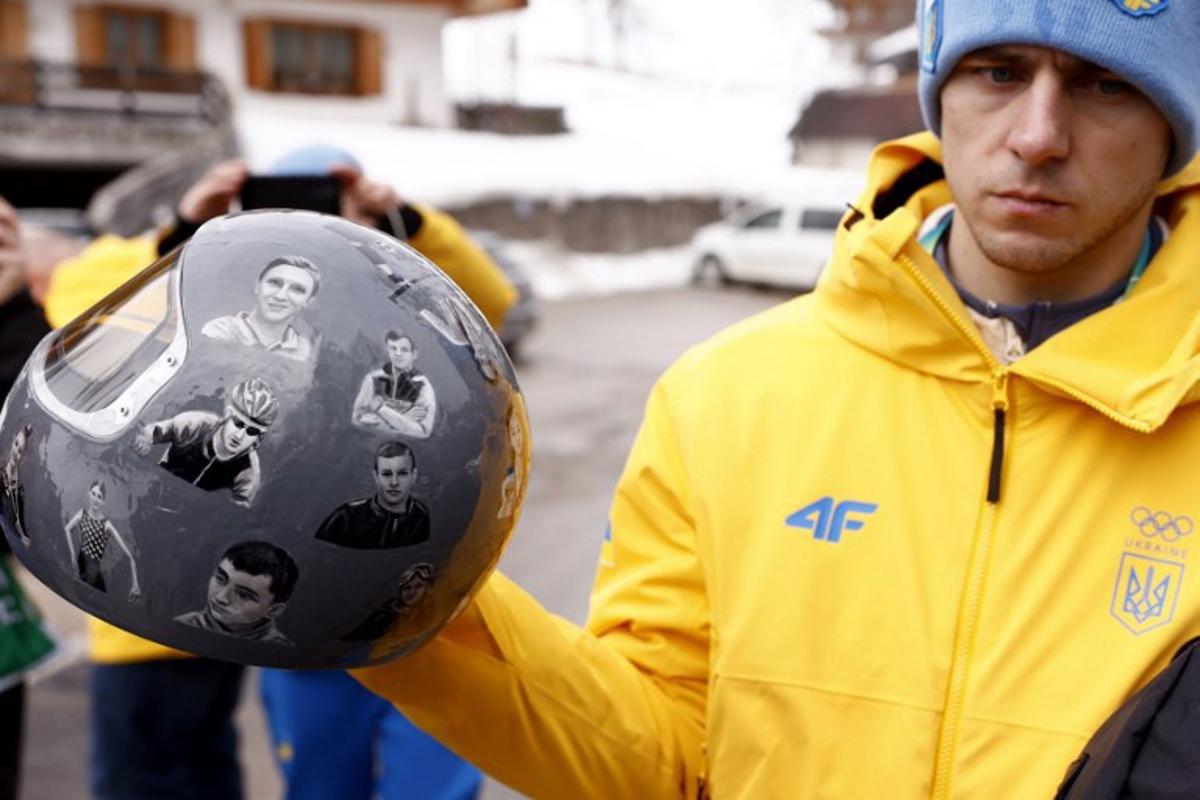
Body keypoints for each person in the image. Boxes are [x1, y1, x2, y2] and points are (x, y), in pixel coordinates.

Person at [350, 3, 1200, 798]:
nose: (1039, 135)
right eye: (1000, 72)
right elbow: (661, 749)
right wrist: (388, 589)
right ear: (941, 89)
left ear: (1174, 126)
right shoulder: (727, 394)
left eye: (1107, 82)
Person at [40, 144, 516, 800]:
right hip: (282, 595)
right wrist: (185, 229)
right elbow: (84, 306)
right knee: (317, 778)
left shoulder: (394, 300)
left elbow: (492, 303)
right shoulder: (219, 285)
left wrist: (399, 219)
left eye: (331, 201)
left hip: (417, 597)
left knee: (432, 782)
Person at [132, 378, 280, 508]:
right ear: (228, 415)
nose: (240, 435)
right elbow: (151, 432)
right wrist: (144, 441)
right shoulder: (194, 424)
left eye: (252, 431)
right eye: (238, 423)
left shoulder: (248, 474)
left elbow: (237, 514)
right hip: (154, 493)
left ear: (259, 438)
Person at [176, 541, 298, 645]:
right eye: (220, 579)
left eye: (243, 595)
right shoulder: (180, 627)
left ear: (273, 610)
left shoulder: (279, 650)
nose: (221, 598)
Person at [201, 255, 320, 362]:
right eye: (275, 283)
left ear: (308, 301)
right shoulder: (221, 330)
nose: (280, 296)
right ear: (257, 286)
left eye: (297, 289)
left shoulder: (305, 350)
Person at [315, 440, 431, 550]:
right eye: (386, 474)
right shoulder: (345, 517)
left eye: (402, 473)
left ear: (414, 476)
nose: (394, 482)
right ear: (376, 476)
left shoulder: (420, 516)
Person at [64, 479, 141, 600]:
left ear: (103, 502)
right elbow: (67, 529)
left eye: (99, 497)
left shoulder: (107, 525)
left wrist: (135, 584)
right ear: (89, 493)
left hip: (94, 577)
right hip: (79, 567)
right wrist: (73, 555)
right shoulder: (81, 514)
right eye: (93, 494)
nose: (95, 499)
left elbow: (130, 558)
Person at [351, 330, 437, 437]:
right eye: (393, 348)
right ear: (388, 350)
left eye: (404, 350)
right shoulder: (372, 379)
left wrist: (381, 410)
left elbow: (423, 432)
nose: (398, 354)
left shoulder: (423, 386)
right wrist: (403, 418)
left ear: (414, 354)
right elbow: (357, 419)